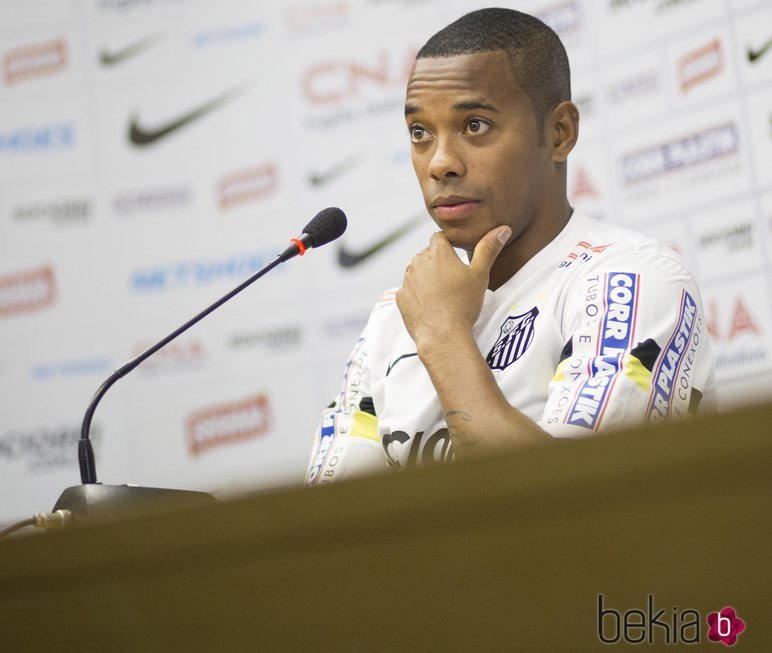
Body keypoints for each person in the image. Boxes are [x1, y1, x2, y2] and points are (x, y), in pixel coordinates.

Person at [305, 8, 715, 486]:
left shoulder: (631, 280)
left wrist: (443, 337)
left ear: (560, 133)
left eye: (475, 125)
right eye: (420, 133)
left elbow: (578, 501)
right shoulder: (393, 319)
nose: (440, 163)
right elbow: (334, 522)